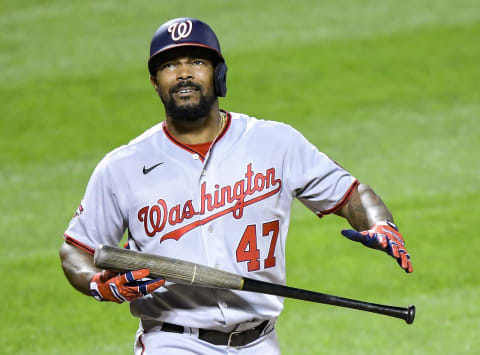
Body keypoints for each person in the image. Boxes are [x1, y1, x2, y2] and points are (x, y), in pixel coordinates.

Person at [59, 17, 413, 355]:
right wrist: (98, 284)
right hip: (173, 341)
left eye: (196, 61)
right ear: (155, 82)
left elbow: (351, 195)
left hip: (261, 340)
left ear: (219, 74)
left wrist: (380, 223)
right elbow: (76, 250)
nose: (183, 73)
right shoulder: (122, 166)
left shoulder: (275, 143)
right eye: (169, 66)